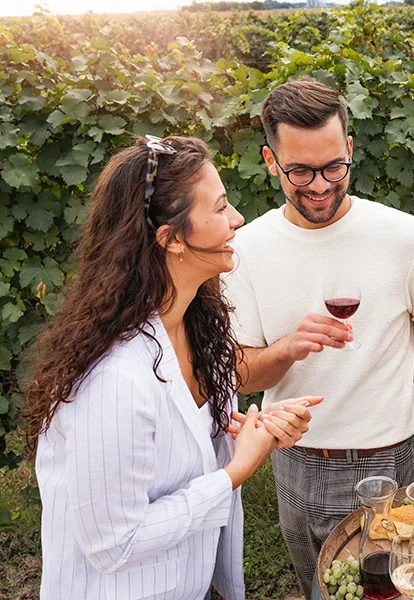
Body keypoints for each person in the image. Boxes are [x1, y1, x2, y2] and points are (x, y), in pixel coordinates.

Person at [25, 136, 318, 599]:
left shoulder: (197, 324)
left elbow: (184, 455)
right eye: (220, 208)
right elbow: (113, 545)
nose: (237, 219)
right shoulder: (113, 378)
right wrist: (235, 472)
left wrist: (249, 432)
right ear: (172, 239)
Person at [221, 78, 414, 599]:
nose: (320, 185)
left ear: (350, 149)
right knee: (320, 589)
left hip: (385, 455)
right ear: (270, 160)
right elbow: (240, 370)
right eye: (300, 171)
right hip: (294, 457)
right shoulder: (244, 250)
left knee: (396, 587)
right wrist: (288, 347)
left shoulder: (407, 237)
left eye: (334, 167)